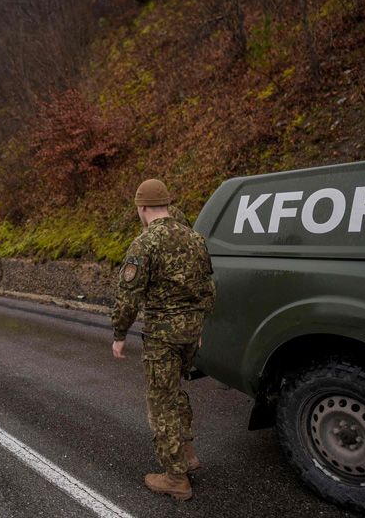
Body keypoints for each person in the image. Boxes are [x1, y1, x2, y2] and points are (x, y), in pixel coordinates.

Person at [111, 179, 215, 500]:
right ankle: (187, 453)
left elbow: (129, 296)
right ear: (168, 204)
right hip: (190, 333)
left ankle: (175, 476)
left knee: (160, 401)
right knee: (175, 391)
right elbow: (208, 288)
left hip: (161, 337)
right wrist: (198, 328)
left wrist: (119, 334)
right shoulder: (195, 239)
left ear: (142, 209)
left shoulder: (145, 244)